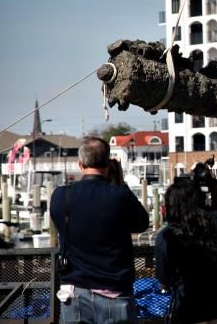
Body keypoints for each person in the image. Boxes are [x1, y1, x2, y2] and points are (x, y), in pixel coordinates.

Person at [50, 137, 149, 324]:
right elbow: (142, 224)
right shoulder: (120, 195)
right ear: (108, 163)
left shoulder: (61, 195)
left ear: (80, 164)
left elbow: (61, 225)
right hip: (115, 291)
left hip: (74, 292)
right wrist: (119, 182)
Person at [155, 176, 217, 324]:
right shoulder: (215, 223)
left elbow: (164, 279)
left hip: (190, 307)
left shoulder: (166, 236)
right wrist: (214, 196)